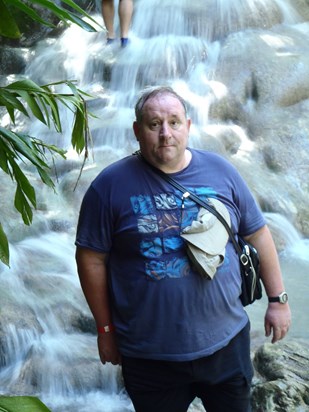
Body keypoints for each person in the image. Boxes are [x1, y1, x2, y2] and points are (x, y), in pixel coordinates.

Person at [75, 86, 291, 412]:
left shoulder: (222, 172)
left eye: (174, 123)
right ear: (137, 131)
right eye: (154, 124)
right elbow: (91, 258)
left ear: (188, 127)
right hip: (150, 357)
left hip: (226, 345)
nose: (166, 134)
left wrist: (277, 300)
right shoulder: (109, 187)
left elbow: (258, 233)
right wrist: (105, 329)